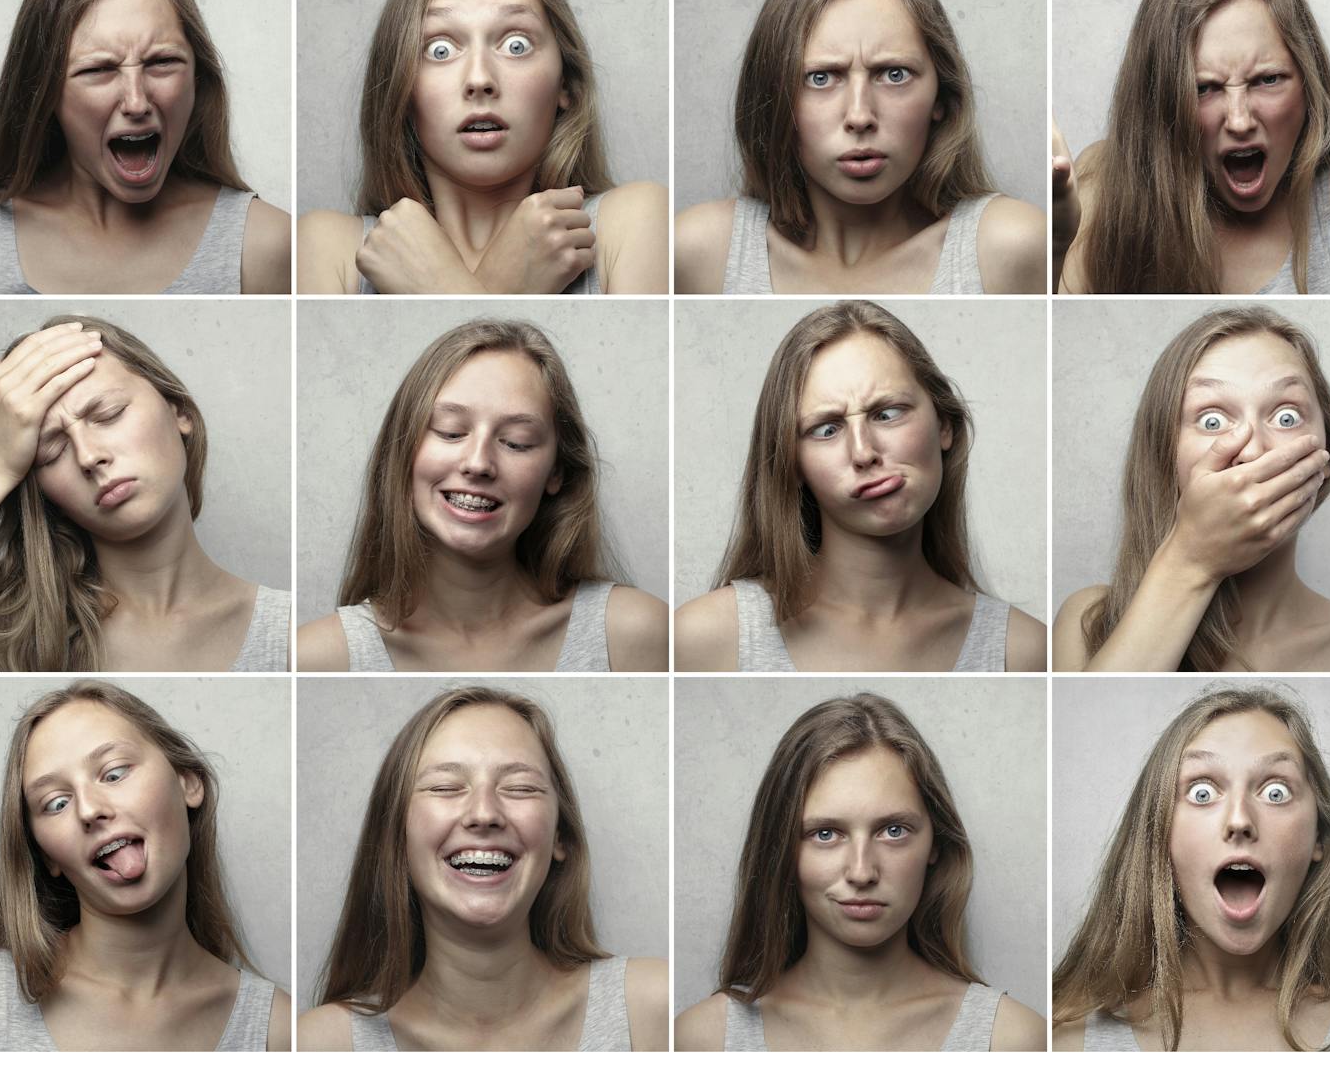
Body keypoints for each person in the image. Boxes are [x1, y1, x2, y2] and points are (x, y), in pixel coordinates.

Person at [0, 681, 289, 1050]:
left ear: (188, 783)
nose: (90, 809)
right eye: (56, 803)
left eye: (114, 773)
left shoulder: (279, 1032)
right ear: (46, 856)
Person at [0, 0, 291, 296]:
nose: (137, 102)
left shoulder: (264, 246)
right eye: (98, 70)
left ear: (198, 77)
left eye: (162, 61)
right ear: (43, 93)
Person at [677, 302, 1046, 672]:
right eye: (826, 429)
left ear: (944, 425)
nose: (863, 452)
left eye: (886, 414)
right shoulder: (707, 637)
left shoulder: (1022, 650)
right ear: (792, 464)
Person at [1052, 684, 1330, 1050]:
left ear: (1318, 840)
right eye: (1202, 793)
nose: (1240, 819)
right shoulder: (1065, 1040)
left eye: (1276, 792)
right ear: (1157, 836)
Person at [297, 0, 668, 296]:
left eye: (516, 45)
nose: (479, 79)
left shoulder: (632, 222)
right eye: (439, 50)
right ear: (401, 90)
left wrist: (439, 288)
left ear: (565, 85)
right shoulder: (332, 251)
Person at [1054, 307, 1330, 673]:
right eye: (1212, 420)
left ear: (1326, 462)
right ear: (1163, 456)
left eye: (1286, 417)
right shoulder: (1088, 624)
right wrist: (1190, 560)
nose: (1253, 449)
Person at [300, 686, 667, 1050]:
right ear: (397, 837)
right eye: (445, 787)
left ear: (560, 837)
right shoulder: (319, 1045)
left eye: (520, 788)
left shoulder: (652, 1011)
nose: (484, 813)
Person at [0, 316, 290, 672]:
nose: (89, 456)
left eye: (109, 414)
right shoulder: (0, 619)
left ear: (179, 413)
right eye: (52, 451)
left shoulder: (288, 633)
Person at [1054, 0, 1330, 294]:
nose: (1240, 120)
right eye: (1204, 88)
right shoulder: (1106, 185)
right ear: (1158, 100)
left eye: (1267, 80)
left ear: (1310, 86)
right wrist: (1058, 247)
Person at [675, 0, 1045, 295]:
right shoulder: (702, 251)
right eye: (821, 78)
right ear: (774, 99)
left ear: (941, 97)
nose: (859, 115)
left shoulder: (1007, 246)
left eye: (893, 74)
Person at [675, 693, 1046, 1050]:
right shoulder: (703, 1040)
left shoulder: (1013, 1041)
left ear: (936, 843)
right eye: (825, 834)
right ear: (781, 848)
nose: (862, 871)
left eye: (893, 831)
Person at [297, 318, 666, 672]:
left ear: (556, 471)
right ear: (402, 451)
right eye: (451, 432)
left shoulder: (633, 633)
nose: (478, 463)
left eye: (515, 443)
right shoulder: (316, 656)